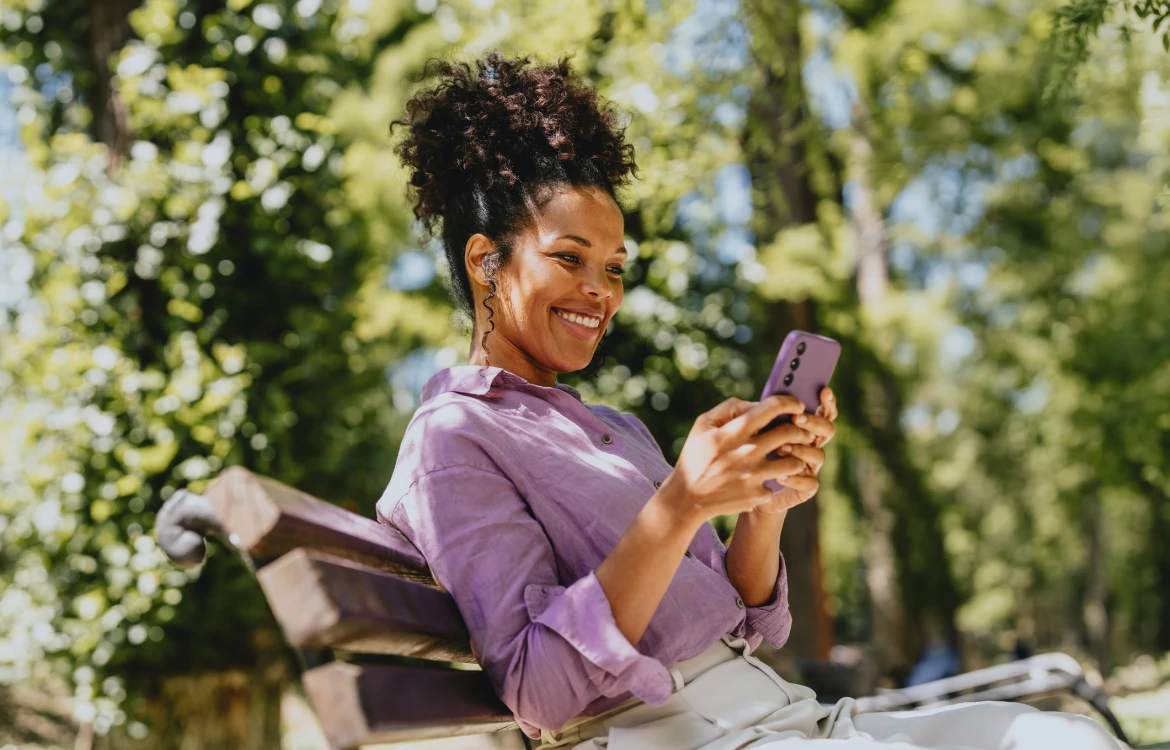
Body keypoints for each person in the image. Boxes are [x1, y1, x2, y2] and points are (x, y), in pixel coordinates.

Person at [376, 53, 1120, 750]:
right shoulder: (453, 437)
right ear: (486, 263)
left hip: (786, 716)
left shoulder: (611, 429)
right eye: (568, 258)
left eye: (613, 267)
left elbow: (743, 617)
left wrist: (765, 505)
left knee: (1060, 737)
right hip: (687, 735)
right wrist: (681, 504)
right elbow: (539, 690)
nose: (600, 291)